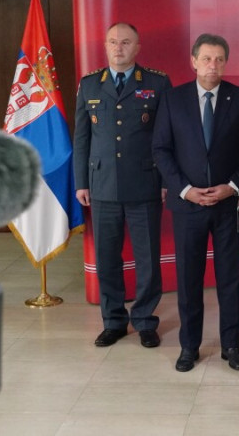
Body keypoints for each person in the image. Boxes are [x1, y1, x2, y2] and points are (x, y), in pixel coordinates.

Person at [151, 34, 239, 372]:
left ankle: (231, 345)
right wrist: (185, 190)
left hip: (228, 205)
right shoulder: (173, 99)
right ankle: (189, 346)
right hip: (188, 205)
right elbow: (161, 149)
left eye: (219, 59)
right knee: (188, 280)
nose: (213, 65)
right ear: (193, 61)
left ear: (226, 63)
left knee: (230, 279)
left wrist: (233, 186)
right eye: (207, 58)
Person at [73, 22, 171, 349]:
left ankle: (144, 321)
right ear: (105, 46)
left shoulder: (157, 83)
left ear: (137, 47)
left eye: (126, 42)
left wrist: (165, 179)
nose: (119, 48)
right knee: (107, 259)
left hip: (145, 183)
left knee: (147, 259)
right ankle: (113, 321)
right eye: (113, 42)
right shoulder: (89, 84)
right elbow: (82, 137)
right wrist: (81, 182)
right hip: (101, 185)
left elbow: (166, 136)